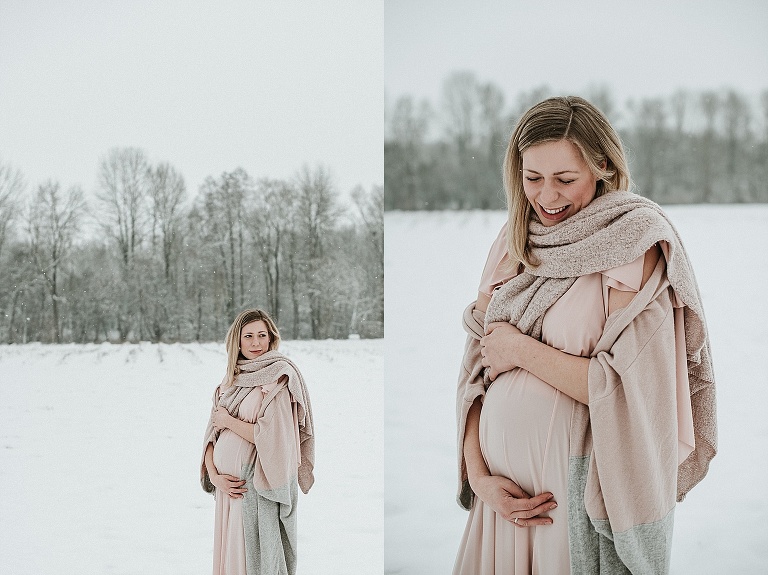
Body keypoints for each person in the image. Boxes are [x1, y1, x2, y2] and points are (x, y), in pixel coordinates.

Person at [453, 96, 717, 574]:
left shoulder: (631, 242)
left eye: (565, 179)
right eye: (533, 178)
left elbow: (624, 388)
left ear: (602, 167)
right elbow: (476, 374)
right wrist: (479, 475)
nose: (547, 197)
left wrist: (519, 349)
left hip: (570, 495)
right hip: (500, 502)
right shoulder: (514, 243)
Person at [201, 308, 315, 575]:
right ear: (237, 341)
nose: (256, 343)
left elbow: (272, 438)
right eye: (248, 336)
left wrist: (229, 421)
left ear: (271, 338)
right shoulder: (230, 381)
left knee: (251, 561)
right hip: (228, 491)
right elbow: (210, 437)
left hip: (254, 487)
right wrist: (216, 476)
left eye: (262, 335)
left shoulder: (279, 378)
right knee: (231, 560)